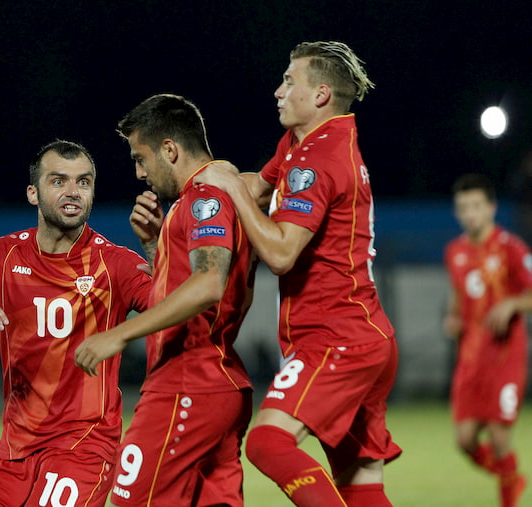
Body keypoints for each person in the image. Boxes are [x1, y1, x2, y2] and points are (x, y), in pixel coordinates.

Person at [194, 41, 401, 506]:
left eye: (290, 81)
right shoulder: (304, 143)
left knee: (268, 443)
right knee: (360, 487)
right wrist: (198, 180)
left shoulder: (319, 160)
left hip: (336, 338)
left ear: (321, 94)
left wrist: (233, 191)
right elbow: (256, 186)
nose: (278, 91)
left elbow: (282, 254)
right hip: (363, 334)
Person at [0, 140, 153, 506]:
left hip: (83, 447)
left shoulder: (115, 265)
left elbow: (177, 310)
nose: (73, 192)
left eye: (84, 182)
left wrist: (156, 249)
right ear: (33, 193)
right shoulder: (2, 256)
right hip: (14, 451)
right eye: (58, 181)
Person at [74, 93, 254, 506]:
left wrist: (118, 334)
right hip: (219, 384)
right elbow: (200, 286)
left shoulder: (204, 199)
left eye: (141, 158)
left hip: (187, 383)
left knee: (128, 501)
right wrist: (157, 246)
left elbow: (210, 284)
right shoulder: (209, 200)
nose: (139, 172)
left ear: (170, 149)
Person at [443, 173, 531, 507]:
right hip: (470, 359)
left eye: (477, 206)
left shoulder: (511, 247)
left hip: (505, 358)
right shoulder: (455, 252)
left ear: (491, 208)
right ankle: (513, 477)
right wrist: (452, 318)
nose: (470, 213)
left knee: (498, 437)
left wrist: (512, 303)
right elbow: (457, 296)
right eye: (463, 207)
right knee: (464, 441)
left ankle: (507, 499)